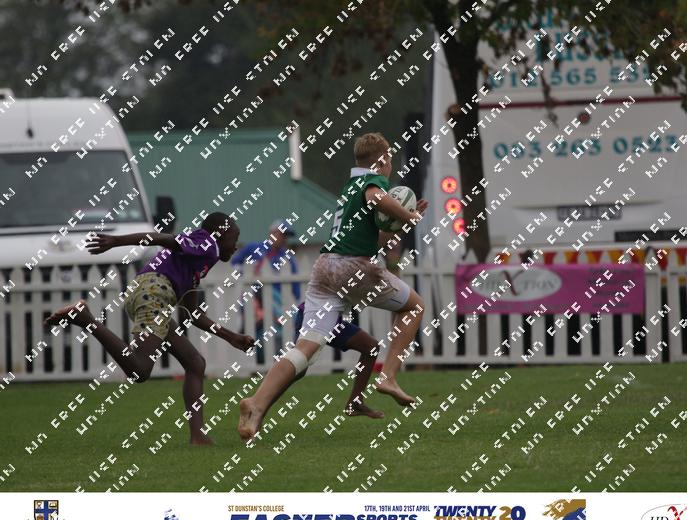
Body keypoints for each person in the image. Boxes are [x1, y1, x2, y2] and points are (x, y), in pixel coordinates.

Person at [238, 132, 428, 442]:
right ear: (381, 160)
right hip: (352, 268)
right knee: (415, 306)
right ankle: (389, 377)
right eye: (390, 159)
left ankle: (256, 404)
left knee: (306, 348)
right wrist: (408, 214)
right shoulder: (373, 182)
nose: (391, 165)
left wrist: (403, 222)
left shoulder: (349, 186)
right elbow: (376, 197)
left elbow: (374, 239)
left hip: (325, 267)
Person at [44, 212, 254, 445]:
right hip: (154, 293)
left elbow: (192, 314)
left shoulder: (196, 261)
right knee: (140, 371)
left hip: (151, 293)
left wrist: (231, 337)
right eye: (234, 239)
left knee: (195, 363)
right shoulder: (207, 245)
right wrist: (116, 241)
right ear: (220, 234)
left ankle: (198, 436)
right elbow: (163, 238)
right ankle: (85, 319)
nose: (236, 246)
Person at [230, 219, 301, 360]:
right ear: (272, 233)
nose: (283, 238)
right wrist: (244, 275)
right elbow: (235, 262)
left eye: (285, 236)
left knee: (277, 333)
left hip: (276, 303)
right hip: (252, 300)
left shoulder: (287, 257)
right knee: (252, 330)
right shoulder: (254, 247)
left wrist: (292, 303)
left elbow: (296, 288)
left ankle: (274, 362)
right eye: (281, 234)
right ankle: (256, 362)